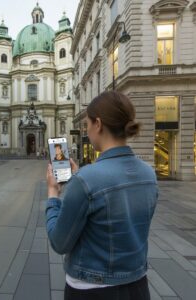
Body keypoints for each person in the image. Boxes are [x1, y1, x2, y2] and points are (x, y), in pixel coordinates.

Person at [46, 91, 158, 300]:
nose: (87, 130)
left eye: (87, 124)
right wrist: (79, 175)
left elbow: (59, 242)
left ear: (98, 124)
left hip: (91, 289)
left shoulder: (87, 180)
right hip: (137, 286)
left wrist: (53, 194)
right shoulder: (148, 173)